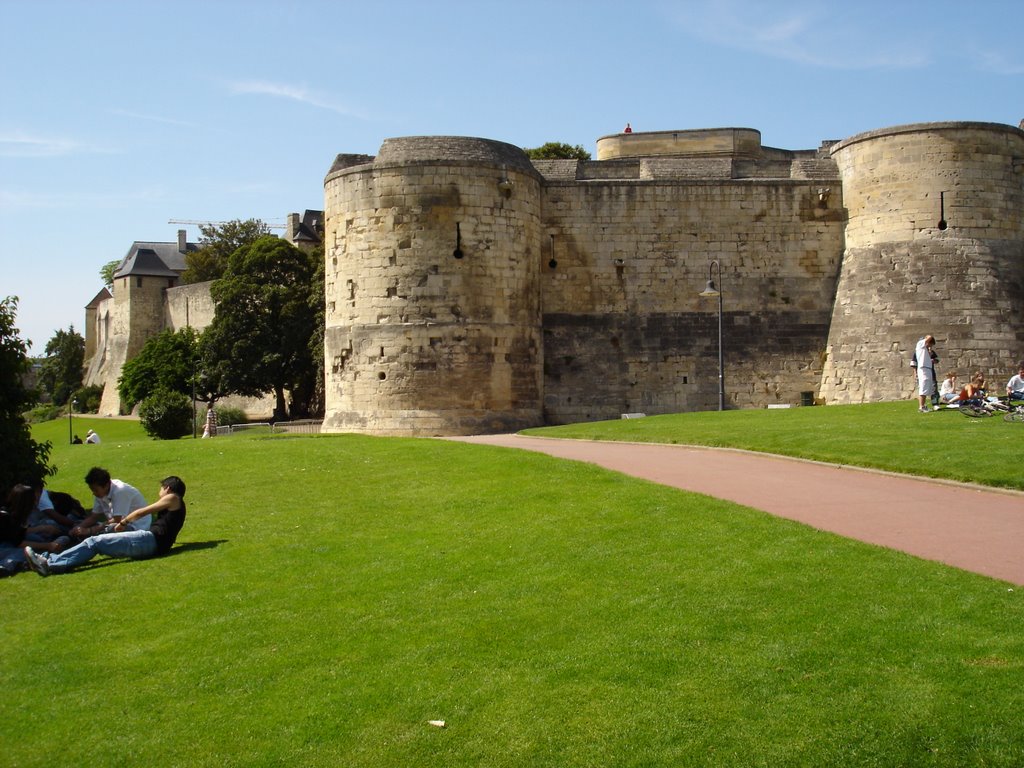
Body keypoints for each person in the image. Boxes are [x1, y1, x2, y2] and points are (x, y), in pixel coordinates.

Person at [24, 476, 187, 577]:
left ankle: (48, 564)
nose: (159, 491)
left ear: (167, 488)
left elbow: (142, 512)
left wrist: (123, 523)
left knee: (96, 542)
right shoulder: (175, 505)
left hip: (149, 540)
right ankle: (46, 558)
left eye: (161, 488)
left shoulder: (173, 498)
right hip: (152, 542)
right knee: (97, 542)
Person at [71, 467, 150, 541]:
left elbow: (117, 520)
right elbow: (93, 517)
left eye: (95, 490)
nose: (93, 493)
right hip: (117, 524)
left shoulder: (120, 491)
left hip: (135, 527)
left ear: (106, 485)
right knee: (79, 523)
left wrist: (89, 530)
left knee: (111, 528)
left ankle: (92, 538)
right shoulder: (100, 494)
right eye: (92, 490)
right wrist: (78, 528)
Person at [912, 335, 937, 412]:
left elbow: (930, 358)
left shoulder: (926, 350)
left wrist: (929, 350)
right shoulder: (920, 344)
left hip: (928, 368)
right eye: (930, 344)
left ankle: (923, 405)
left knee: (926, 388)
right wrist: (927, 340)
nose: (930, 346)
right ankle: (921, 407)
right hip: (923, 368)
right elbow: (929, 336)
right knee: (923, 387)